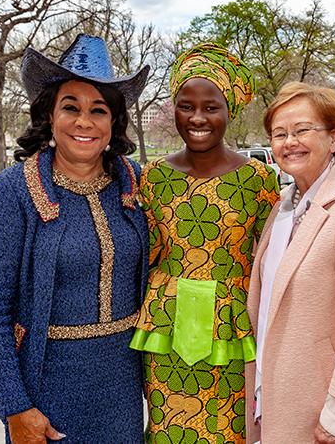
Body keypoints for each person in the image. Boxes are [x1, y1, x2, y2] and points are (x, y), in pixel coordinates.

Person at [0, 34, 151, 443]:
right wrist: (15, 406)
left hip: (121, 390)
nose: (84, 122)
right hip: (46, 390)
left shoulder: (136, 183)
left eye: (99, 110)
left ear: (114, 121)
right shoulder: (15, 189)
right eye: (70, 107)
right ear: (50, 117)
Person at [129, 42, 280, 443]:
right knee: (167, 430)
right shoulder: (153, 177)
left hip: (231, 330)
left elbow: (271, 263)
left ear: (229, 110)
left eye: (211, 107)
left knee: (230, 431)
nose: (198, 117)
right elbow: (144, 254)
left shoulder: (258, 180)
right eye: (186, 105)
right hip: (164, 332)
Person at [244, 82, 335, 444]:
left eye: (302, 130)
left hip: (330, 414)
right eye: (280, 133)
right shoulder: (283, 206)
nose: (289, 141)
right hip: (281, 401)